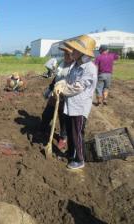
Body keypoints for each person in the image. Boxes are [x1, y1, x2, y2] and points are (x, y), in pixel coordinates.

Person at [54, 35, 97, 169]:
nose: (72, 52)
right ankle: (71, 153)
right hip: (69, 105)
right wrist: (60, 84)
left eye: (75, 50)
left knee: (77, 133)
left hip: (79, 107)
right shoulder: (76, 65)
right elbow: (68, 79)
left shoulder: (89, 68)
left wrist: (64, 89)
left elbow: (77, 87)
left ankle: (79, 159)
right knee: (71, 132)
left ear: (82, 53)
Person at [41, 45, 74, 150]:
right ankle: (43, 129)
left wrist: (63, 87)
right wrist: (50, 89)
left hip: (66, 97)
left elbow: (73, 82)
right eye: (64, 54)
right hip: (55, 94)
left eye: (67, 54)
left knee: (63, 119)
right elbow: (56, 78)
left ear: (73, 55)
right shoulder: (62, 64)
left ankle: (63, 138)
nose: (65, 56)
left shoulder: (75, 67)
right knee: (47, 114)